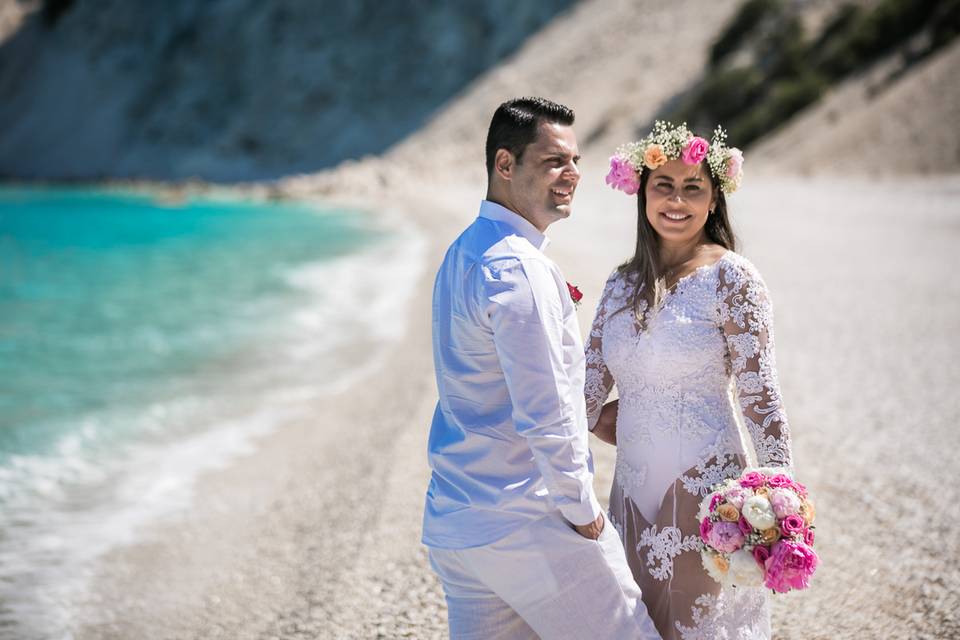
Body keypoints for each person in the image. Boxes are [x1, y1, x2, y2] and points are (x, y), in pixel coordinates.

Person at [422, 97, 662, 640]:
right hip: (526, 523)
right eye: (554, 161)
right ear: (505, 165)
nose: (573, 174)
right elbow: (544, 412)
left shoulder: (463, 252)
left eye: (575, 160)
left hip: (459, 522)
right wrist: (584, 514)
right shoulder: (518, 267)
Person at [587, 121, 794, 639]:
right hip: (629, 494)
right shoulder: (619, 283)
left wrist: (782, 503)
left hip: (707, 490)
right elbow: (585, 388)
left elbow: (760, 396)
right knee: (636, 628)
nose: (676, 200)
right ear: (643, 194)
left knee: (690, 629)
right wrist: (614, 416)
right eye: (664, 185)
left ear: (713, 201)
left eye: (692, 187)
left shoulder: (733, 278)